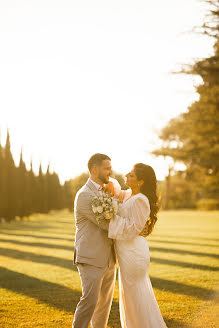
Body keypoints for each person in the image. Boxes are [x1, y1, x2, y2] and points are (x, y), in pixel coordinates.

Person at [107, 163, 168, 328]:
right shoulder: (129, 195)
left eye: (131, 175)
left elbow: (133, 228)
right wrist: (108, 179)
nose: (126, 174)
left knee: (136, 296)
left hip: (133, 253)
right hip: (126, 251)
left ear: (140, 182)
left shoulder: (141, 200)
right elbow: (116, 191)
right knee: (131, 297)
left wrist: (110, 219)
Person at [72, 153, 116, 328]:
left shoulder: (106, 190)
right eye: (106, 168)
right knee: (89, 303)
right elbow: (106, 224)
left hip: (109, 258)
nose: (110, 172)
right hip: (90, 258)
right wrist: (131, 226)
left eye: (110, 168)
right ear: (94, 169)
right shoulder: (84, 195)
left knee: (103, 307)